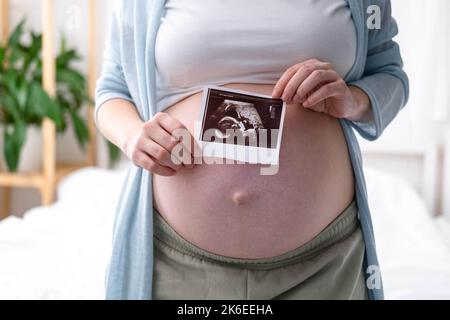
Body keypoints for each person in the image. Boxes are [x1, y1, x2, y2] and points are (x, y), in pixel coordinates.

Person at [95, 0, 409, 300]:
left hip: (323, 267)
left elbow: (390, 75)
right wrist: (132, 135)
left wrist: (353, 99)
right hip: (178, 264)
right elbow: (113, 87)